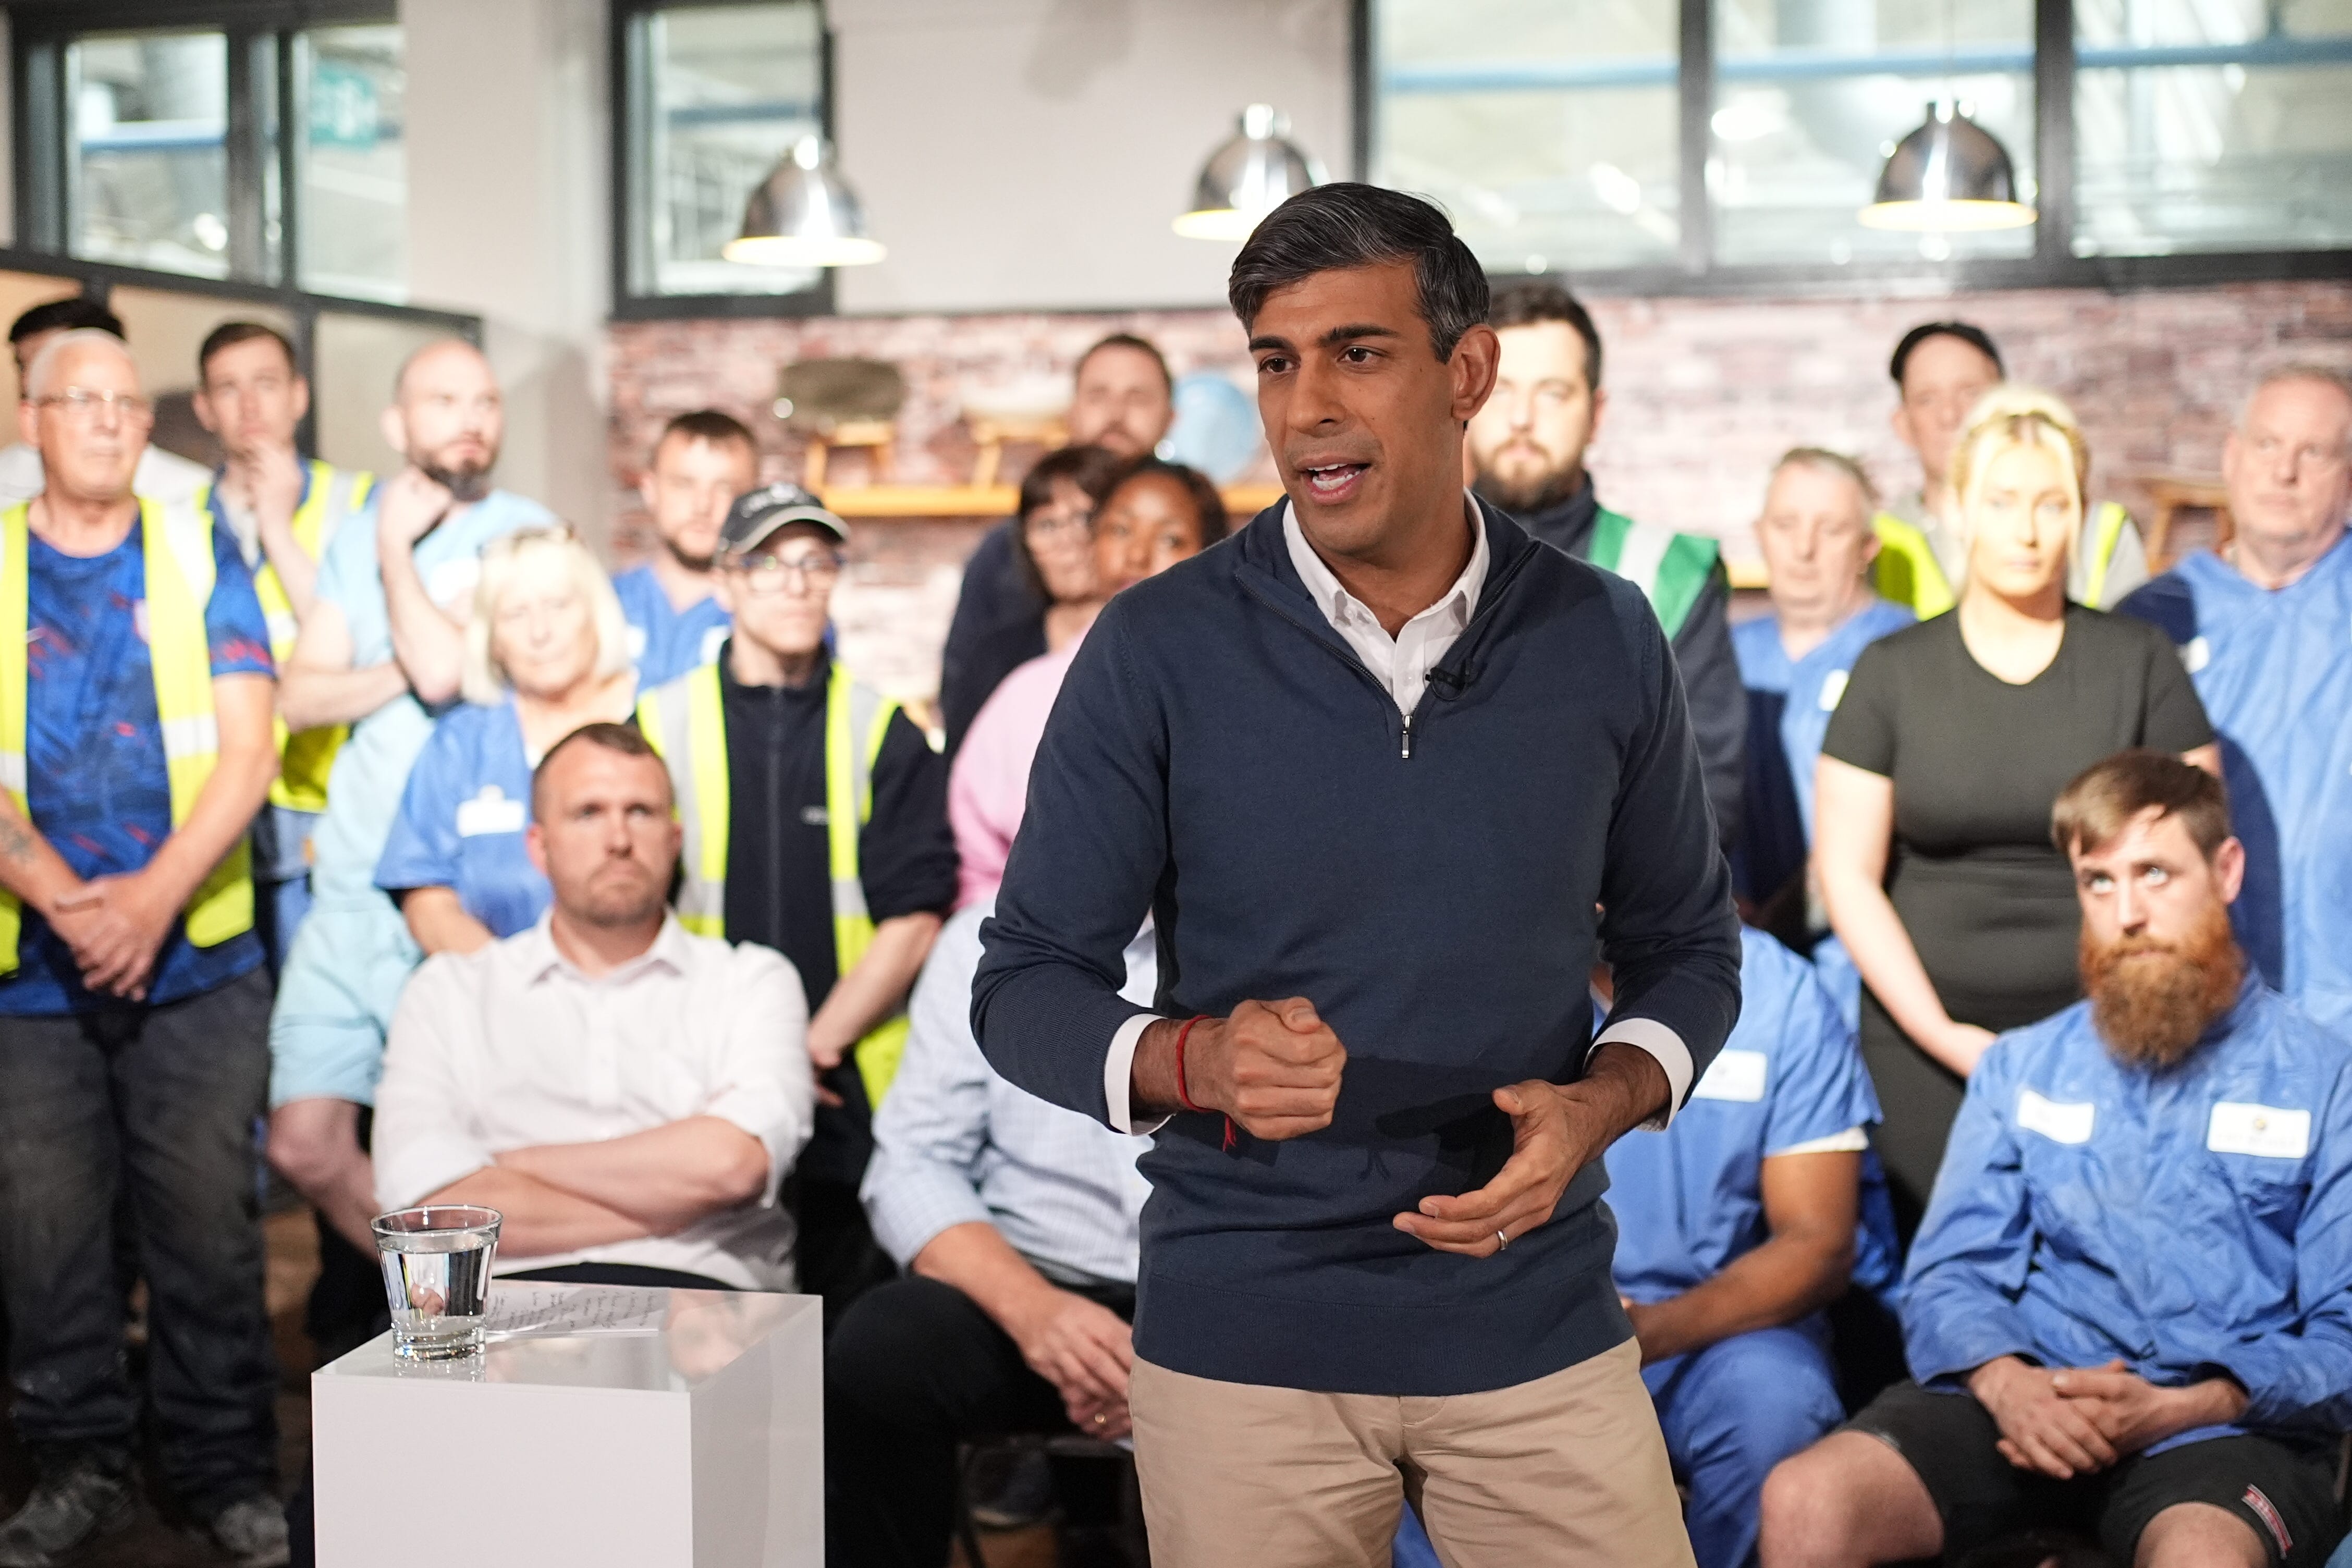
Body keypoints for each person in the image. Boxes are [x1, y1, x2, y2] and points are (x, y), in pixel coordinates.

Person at [973, 183, 1741, 1565]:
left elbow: (1691, 950)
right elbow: (1023, 984)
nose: (1306, 404)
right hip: (1245, 1332)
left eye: (1357, 354)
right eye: (1277, 361)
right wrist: (1189, 1060)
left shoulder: (1608, 636)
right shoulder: (1155, 649)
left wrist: (1600, 1105)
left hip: (1536, 1320)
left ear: (1469, 373)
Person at [1761, 751, 2352, 1568]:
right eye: (2099, 883)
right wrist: (2008, 1385)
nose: (2128, 912)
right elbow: (1948, 1274)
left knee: (2202, 1559)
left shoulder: (2328, 1079)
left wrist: (2185, 1405)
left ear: (2227, 870)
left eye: (2155, 873)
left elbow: (2345, 1331)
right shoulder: (2022, 1067)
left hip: (2226, 1427)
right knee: (1806, 1499)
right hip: (2030, 1403)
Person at [0, 329, 286, 1567]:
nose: (114, 421)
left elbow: (250, 745)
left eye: (129, 401)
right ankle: (79, 1463)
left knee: (208, 1232)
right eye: (85, 401)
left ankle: (225, 1468)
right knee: (48, 1239)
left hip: (197, 966)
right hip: (32, 973)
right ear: (34, 416)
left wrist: (151, 898)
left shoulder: (196, 547)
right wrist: (72, 901)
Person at [1816, 387, 2217, 1224]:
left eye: (2052, 503)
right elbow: (1846, 876)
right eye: (2003, 502)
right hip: (1923, 1040)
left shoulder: (2139, 662)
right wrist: (1946, 1035)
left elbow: (2195, 857)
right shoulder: (1891, 674)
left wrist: (2112, 1028)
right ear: (1958, 510)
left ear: (2079, 513)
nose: (2029, 531)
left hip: (2112, 1032)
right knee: (1956, 1275)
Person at [263, 338, 557, 1359]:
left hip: (446, 886)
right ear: (397, 424)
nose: (469, 415)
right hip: (345, 886)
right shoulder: (354, 533)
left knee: (458, 1144)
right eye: (442, 398)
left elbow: (443, 672)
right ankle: (459, 1312)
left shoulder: (523, 535)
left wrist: (394, 551)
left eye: (483, 398)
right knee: (303, 1140)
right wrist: (387, 585)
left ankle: (472, 1332)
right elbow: (300, 695)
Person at [1431, 929, 1889, 1568]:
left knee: (1773, 1405)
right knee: (1410, 1411)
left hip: (1713, 1332)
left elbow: (1818, 1243)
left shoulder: (1779, 991)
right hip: (1522, 1323)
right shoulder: (1491, 978)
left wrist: (1651, 1330)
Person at [638, 484, 955, 1323]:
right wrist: (756, 1060)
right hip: (698, 1081)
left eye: (816, 561)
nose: (796, 583)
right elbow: (634, 913)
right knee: (706, 1330)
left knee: (843, 1336)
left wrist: (808, 1048)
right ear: (726, 582)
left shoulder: (884, 730)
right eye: (770, 563)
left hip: (847, 1088)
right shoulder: (653, 726)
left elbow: (916, 912)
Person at [373, 722, 814, 1292]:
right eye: (588, 812)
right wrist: (680, 1204)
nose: (618, 839)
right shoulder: (448, 993)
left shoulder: (751, 979)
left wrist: (507, 1165)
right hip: (502, 1310)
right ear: (539, 844)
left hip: (705, 1304)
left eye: (641, 811)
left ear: (675, 837)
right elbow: (432, 1211)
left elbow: (733, 1164)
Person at [828, 897, 1156, 1568]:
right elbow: (912, 1163)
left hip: (1214, 1292)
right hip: (1032, 1286)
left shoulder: (1272, 936)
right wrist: (1039, 1316)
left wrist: (1170, 1361)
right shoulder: (982, 939)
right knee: (879, 1350)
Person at [1466, 281, 1745, 845]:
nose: (1522, 418)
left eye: (1552, 393)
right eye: (1501, 390)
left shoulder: (1669, 572)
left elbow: (1707, 789)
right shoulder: (1387, 567)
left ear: (1596, 413)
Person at [2118, 365, 2352, 1038]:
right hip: (2203, 1003)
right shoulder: (2154, 621)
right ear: (2231, 457)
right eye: (2267, 445)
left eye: (2314, 453)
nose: (2286, 473)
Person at [951, 455, 1230, 908]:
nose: (1136, 556)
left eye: (1170, 538)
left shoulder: (1247, 694)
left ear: (1212, 556)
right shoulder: (1024, 696)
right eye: (1120, 530)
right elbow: (977, 863)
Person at [191, 320, 376, 973]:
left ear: (299, 395)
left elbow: (356, 651)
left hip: (323, 811)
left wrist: (276, 524)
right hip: (212, 812)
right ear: (204, 407)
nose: (250, 406)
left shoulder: (359, 504)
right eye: (229, 388)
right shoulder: (178, 520)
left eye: (266, 385)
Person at [376, 528, 638, 954]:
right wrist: (509, 984)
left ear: (596, 612)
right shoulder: (462, 744)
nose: (540, 632)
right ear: (492, 640)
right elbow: (427, 898)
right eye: (516, 614)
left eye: (558, 606)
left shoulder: (657, 718)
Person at [939, 333, 1178, 754]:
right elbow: (965, 703)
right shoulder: (1003, 554)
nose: (1116, 414)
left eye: (1138, 398)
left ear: (1170, 418)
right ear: (1072, 412)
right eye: (1099, 396)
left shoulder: (1196, 544)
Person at [1873, 321, 2148, 616]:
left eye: (1970, 393)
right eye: (1927, 399)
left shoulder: (2101, 530)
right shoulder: (1877, 544)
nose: (1950, 415)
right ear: (1902, 424)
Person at [0, 297, 210, 510]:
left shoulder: (192, 493)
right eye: (23, 366)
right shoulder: (5, 479)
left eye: (48, 360)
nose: (29, 382)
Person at [611, 408, 755, 687]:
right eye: (683, 484)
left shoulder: (778, 613)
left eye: (725, 488)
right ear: (650, 489)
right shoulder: (602, 603)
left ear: (753, 500)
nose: (703, 505)